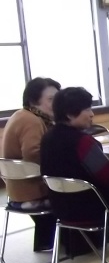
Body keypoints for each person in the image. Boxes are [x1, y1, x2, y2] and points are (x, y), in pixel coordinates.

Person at [40, 87, 109, 255]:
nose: (92, 114)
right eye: (87, 109)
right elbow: (108, 176)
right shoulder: (82, 142)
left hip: (60, 207)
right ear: (70, 114)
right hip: (89, 207)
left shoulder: (48, 138)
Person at [1, 77, 61, 252]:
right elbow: (33, 153)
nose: (56, 104)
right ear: (34, 101)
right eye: (50, 99)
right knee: (84, 191)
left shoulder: (22, 115)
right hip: (32, 191)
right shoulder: (31, 120)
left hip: (17, 190)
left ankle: (50, 242)